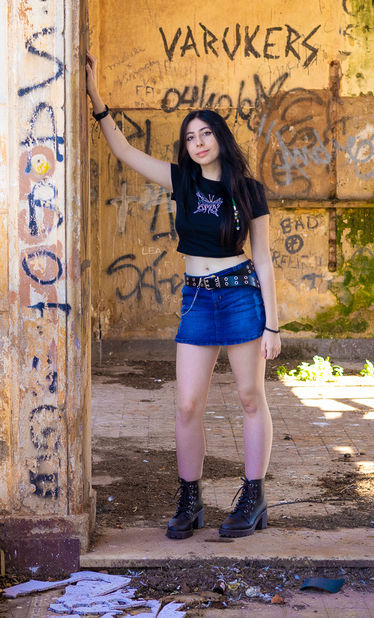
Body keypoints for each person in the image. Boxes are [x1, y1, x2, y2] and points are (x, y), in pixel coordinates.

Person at [85, 53, 281, 538]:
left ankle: (253, 497)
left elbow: (263, 259)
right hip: (197, 299)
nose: (198, 143)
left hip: (240, 296)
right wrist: (95, 95)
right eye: (190, 138)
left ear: (220, 138)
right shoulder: (182, 180)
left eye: (205, 134)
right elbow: (124, 151)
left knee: (250, 397)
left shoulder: (248, 190)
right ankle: (190, 500)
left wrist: (273, 325)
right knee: (188, 405)